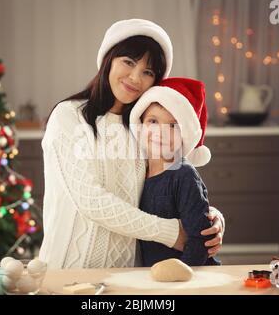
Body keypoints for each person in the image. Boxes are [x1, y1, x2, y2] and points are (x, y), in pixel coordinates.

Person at [39, 19, 225, 269]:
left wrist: (209, 220)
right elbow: (91, 200)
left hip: (131, 273)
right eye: (128, 62)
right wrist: (173, 232)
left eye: (148, 72)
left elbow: (171, 185)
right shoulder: (68, 116)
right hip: (69, 267)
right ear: (108, 60)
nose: (135, 77)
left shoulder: (143, 128)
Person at [129, 77, 220, 267]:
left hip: (188, 275)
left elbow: (200, 238)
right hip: (153, 275)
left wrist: (181, 277)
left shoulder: (183, 174)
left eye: (172, 126)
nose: (160, 132)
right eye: (153, 121)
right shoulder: (137, 170)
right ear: (140, 125)